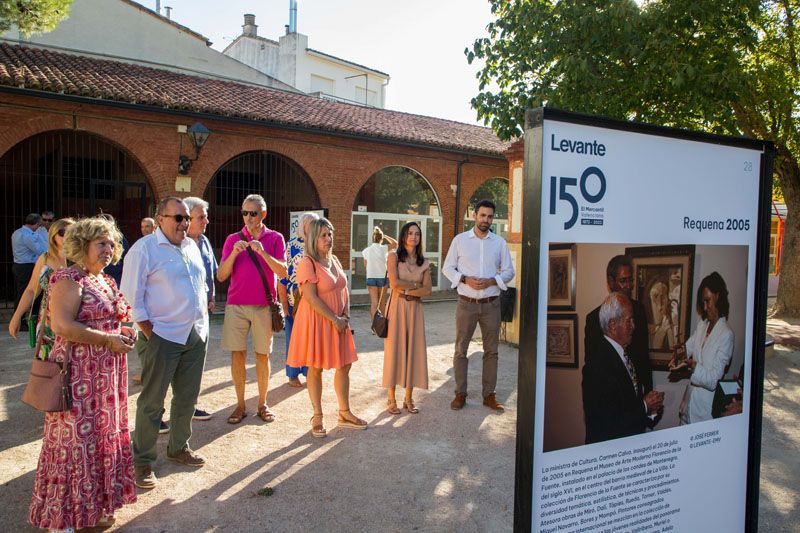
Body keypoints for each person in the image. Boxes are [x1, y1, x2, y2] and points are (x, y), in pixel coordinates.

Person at [29, 215, 137, 531]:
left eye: (111, 243)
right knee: (74, 443)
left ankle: (97, 505)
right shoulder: (68, 279)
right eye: (100, 243)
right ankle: (62, 519)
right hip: (78, 378)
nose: (108, 248)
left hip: (106, 380)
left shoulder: (105, 280)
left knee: (103, 440)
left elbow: (116, 318)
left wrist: (126, 333)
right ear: (82, 245)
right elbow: (63, 325)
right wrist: (108, 339)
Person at [121, 197, 209, 489]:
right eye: (178, 218)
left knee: (187, 398)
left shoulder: (191, 246)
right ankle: (143, 461)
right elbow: (130, 298)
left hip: (194, 335)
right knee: (152, 402)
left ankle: (178, 448)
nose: (184, 224)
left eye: (186, 218)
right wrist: (150, 333)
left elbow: (200, 284)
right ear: (160, 219)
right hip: (162, 336)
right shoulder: (144, 249)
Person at [287, 218, 366, 437]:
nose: (328, 239)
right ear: (313, 237)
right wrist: (334, 318)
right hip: (319, 321)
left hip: (339, 322)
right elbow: (310, 298)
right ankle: (318, 416)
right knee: (316, 367)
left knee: (345, 365)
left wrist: (346, 315)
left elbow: (344, 289)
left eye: (330, 234)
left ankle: (344, 412)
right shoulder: (307, 262)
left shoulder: (335, 261)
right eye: (323, 235)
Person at [217, 194, 287, 424]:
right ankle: (240, 405)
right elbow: (221, 275)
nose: (248, 217)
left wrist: (262, 253)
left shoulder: (275, 238)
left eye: (253, 213)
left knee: (262, 356)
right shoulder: (232, 240)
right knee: (237, 355)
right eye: (245, 212)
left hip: (263, 307)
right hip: (236, 306)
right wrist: (235, 253)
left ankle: (262, 404)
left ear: (263, 214)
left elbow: (283, 271)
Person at [442, 199, 515, 412]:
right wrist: (465, 279)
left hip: (491, 304)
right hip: (466, 304)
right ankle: (460, 393)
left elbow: (509, 271)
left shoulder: (499, 242)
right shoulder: (460, 240)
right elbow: (448, 268)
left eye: (490, 216)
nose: (486, 220)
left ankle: (489, 395)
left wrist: (493, 280)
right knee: (460, 350)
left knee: (491, 351)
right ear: (475, 215)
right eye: (482, 215)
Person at [582, 293, 665, 444]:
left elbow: (630, 406)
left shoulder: (626, 355)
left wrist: (651, 410)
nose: (634, 326)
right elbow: (607, 424)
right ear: (613, 325)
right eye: (629, 321)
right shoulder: (597, 366)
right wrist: (645, 405)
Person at [585, 255, 653, 395]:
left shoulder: (639, 310)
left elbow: (644, 357)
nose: (628, 286)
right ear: (611, 282)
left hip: (638, 396)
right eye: (623, 281)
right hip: (611, 396)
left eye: (630, 280)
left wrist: (649, 394)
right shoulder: (594, 319)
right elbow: (591, 368)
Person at [672, 272, 735, 424]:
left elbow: (714, 380)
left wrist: (694, 367)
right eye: (703, 303)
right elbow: (687, 348)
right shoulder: (702, 326)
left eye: (708, 301)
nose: (705, 307)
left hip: (705, 413)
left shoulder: (726, 334)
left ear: (718, 296)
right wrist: (676, 357)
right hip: (688, 405)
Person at [383, 222, 432, 414]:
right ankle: (391, 398)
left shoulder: (424, 262)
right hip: (396, 307)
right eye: (410, 233)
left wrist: (410, 289)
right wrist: (415, 286)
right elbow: (394, 284)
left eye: (417, 234)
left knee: (414, 350)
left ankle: (409, 398)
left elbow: (428, 290)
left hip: (415, 309)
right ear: (404, 236)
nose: (414, 237)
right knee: (394, 350)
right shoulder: (393, 256)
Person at [8, 218, 74, 360]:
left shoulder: (81, 260)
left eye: (72, 233)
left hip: (75, 320)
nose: (67, 237)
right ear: (53, 236)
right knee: (47, 366)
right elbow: (32, 290)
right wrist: (16, 316)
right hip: (48, 322)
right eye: (62, 233)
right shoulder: (44, 259)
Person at [184, 196, 218, 421]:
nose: (206, 221)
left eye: (205, 216)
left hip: (201, 314)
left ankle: (189, 406)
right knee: (170, 367)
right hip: (179, 314)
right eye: (201, 217)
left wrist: (212, 296)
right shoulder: (176, 243)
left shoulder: (204, 242)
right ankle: (158, 414)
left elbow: (210, 272)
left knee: (195, 364)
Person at [278, 212, 319, 387]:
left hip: (315, 300)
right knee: (293, 338)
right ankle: (293, 374)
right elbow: (283, 275)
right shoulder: (291, 245)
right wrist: (284, 303)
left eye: (315, 223)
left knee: (312, 338)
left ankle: (310, 371)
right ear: (302, 226)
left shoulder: (319, 246)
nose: (312, 227)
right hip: (294, 299)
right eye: (309, 223)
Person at [11, 213, 48, 318]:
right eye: (40, 225)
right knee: (29, 293)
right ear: (36, 224)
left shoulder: (17, 232)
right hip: (26, 267)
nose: (40, 227)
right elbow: (40, 250)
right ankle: (22, 319)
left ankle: (21, 318)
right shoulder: (28, 236)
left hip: (19, 265)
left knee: (21, 292)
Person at [362, 226, 397, 319]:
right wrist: (386, 236)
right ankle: (381, 326)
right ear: (381, 239)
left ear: (373, 238)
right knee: (381, 302)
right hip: (382, 278)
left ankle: (374, 327)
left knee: (374, 303)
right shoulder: (384, 248)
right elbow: (395, 244)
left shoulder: (366, 251)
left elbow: (365, 265)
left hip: (370, 278)